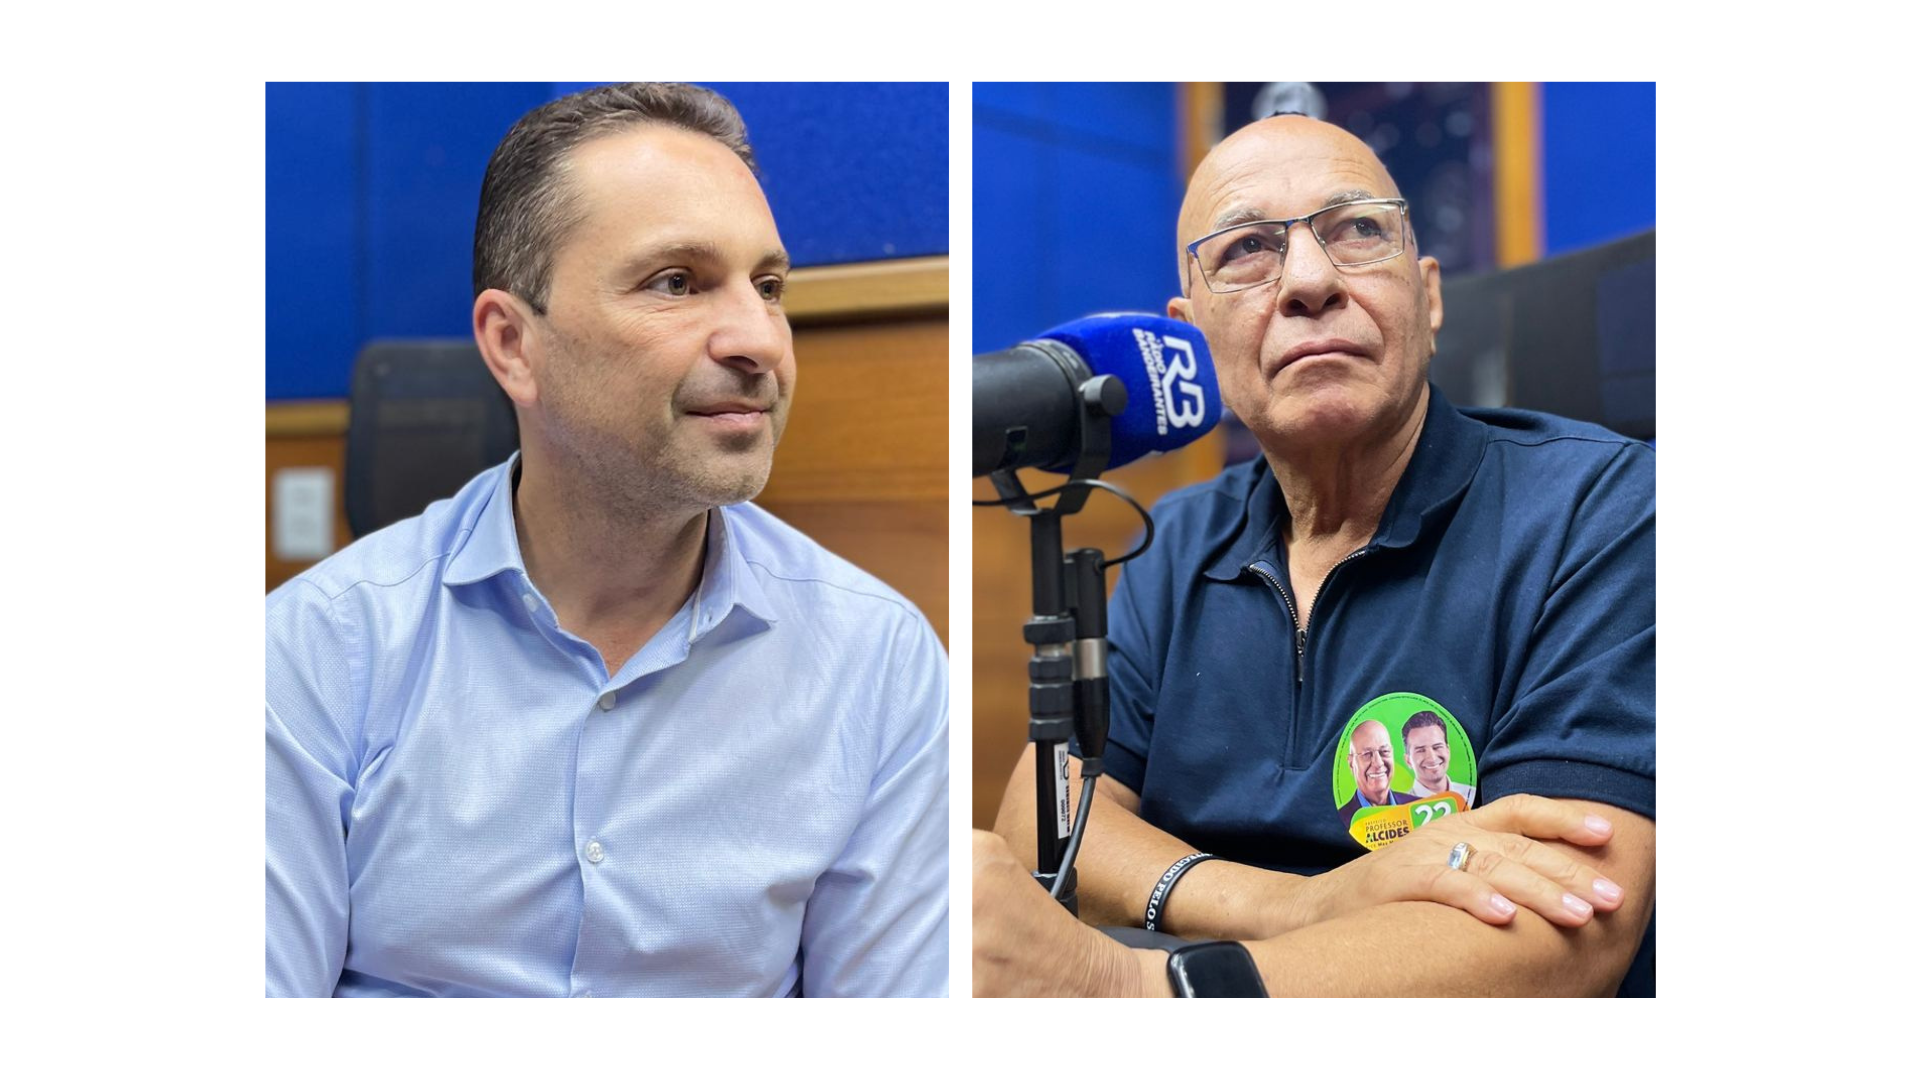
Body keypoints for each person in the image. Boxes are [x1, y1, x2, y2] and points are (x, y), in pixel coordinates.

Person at [267, 83, 948, 998]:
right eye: (677, 282)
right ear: (513, 345)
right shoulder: (317, 651)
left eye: (769, 287)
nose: (760, 340)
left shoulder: (878, 660)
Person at [979, 113, 1653, 997]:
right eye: (1247, 250)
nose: (1308, 281)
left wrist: (1135, 988)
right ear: (1193, 336)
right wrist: (1293, 903)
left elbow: (1568, 927)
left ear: (1429, 297)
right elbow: (1047, 822)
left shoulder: (1606, 509)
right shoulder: (1174, 540)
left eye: (1357, 229)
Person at [1337, 719, 1418, 826]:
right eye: (1367, 754)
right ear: (1351, 763)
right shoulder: (1337, 821)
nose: (1378, 763)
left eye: (1384, 751)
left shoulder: (1417, 808)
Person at [1404, 710, 1474, 807]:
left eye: (1437, 747)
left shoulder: (1471, 794)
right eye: (1421, 750)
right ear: (1408, 760)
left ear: (1448, 751)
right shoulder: (1398, 808)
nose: (1432, 758)